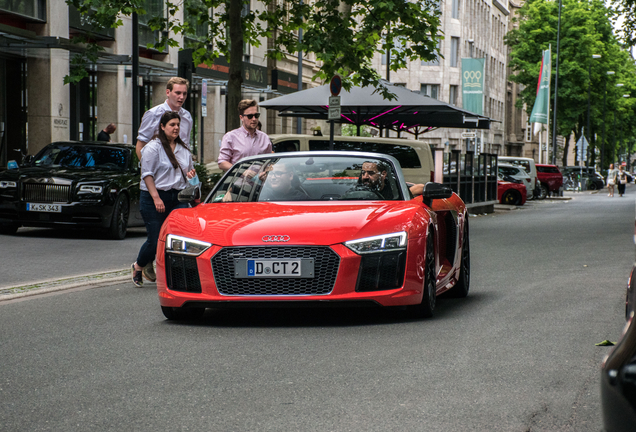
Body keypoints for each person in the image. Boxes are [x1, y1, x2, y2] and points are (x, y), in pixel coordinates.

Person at [131, 111, 196, 288]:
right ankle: (138, 266)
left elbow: (189, 176)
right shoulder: (153, 148)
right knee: (155, 239)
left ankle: (173, 274)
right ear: (162, 127)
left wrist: (192, 177)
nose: (176, 128)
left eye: (177, 125)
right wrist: (156, 198)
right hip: (154, 196)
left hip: (178, 197)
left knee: (179, 238)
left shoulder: (183, 150)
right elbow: (147, 175)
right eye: (172, 125)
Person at [136, 77, 192, 160]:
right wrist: (148, 169)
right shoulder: (153, 114)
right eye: (178, 93)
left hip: (181, 169)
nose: (181, 97)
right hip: (160, 169)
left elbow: (186, 145)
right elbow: (141, 145)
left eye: (184, 93)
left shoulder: (187, 116)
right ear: (168, 92)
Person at [218, 99, 272, 172]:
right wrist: (241, 171)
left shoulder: (264, 138)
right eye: (250, 116)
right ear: (241, 117)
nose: (254, 119)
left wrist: (266, 172)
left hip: (260, 182)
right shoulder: (231, 137)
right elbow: (222, 162)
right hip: (237, 182)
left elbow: (269, 162)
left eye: (256, 115)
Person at [355, 161, 425, 199]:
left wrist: (407, 193)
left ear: (383, 174)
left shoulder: (394, 190)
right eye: (363, 173)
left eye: (371, 173)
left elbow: (421, 187)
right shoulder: (355, 190)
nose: (365, 177)